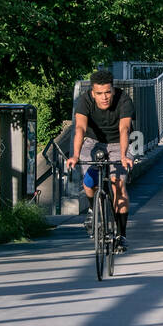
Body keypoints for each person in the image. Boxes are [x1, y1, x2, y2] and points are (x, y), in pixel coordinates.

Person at [65, 70, 136, 252]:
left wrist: (123, 155)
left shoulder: (124, 100)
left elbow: (124, 129)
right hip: (92, 141)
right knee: (89, 181)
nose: (104, 97)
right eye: (99, 93)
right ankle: (91, 209)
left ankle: (121, 235)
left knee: (117, 186)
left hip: (118, 142)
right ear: (92, 93)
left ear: (112, 89)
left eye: (107, 92)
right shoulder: (84, 100)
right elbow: (80, 127)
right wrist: (74, 155)